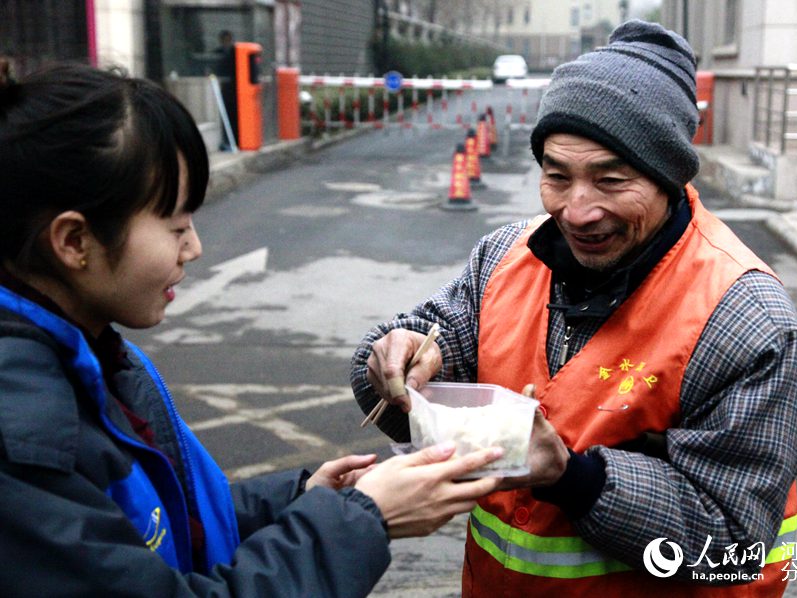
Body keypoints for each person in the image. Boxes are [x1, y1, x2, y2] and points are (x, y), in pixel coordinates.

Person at [0, 63, 504, 597]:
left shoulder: (86, 354)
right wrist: (363, 519)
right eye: (175, 226)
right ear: (74, 241)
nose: (194, 248)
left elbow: (164, 528)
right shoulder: (24, 438)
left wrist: (303, 498)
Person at [351, 20, 797, 597]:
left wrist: (576, 478)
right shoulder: (502, 258)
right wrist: (395, 361)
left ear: (668, 176)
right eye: (556, 176)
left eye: (611, 179)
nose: (577, 211)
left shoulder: (744, 317)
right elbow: (432, 350)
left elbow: (732, 546)